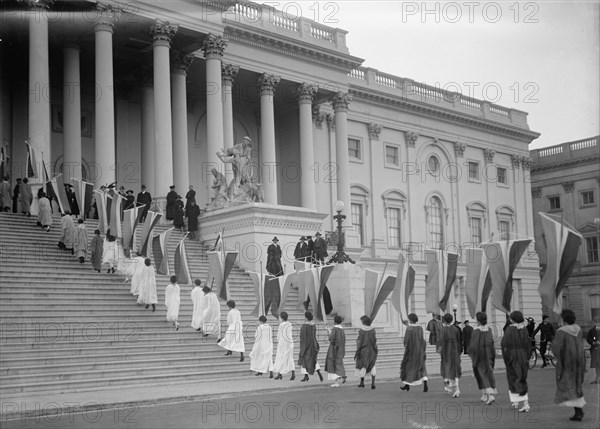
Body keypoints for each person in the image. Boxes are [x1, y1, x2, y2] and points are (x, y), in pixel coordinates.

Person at [553, 309, 586, 421]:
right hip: (578, 361)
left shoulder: (561, 331)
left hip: (567, 362)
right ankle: (578, 411)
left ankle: (579, 412)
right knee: (576, 385)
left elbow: (557, 348)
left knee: (568, 385)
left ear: (564, 319)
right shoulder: (578, 329)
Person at [501, 310, 531, 412]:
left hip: (513, 356)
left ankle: (522, 402)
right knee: (521, 378)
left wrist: (506, 357)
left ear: (512, 319)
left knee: (514, 378)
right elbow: (528, 344)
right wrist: (527, 356)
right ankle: (519, 401)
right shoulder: (524, 329)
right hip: (523, 355)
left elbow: (504, 343)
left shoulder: (510, 330)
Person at [467, 312, 497, 405]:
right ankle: (484, 395)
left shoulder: (476, 331)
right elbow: (491, 343)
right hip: (488, 355)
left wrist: (471, 353)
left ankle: (490, 395)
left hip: (479, 357)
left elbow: (473, 346)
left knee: (482, 375)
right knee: (488, 374)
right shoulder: (489, 330)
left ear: (478, 320)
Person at [400, 313, 428, 392]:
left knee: (409, 367)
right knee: (422, 366)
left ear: (410, 319)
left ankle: (407, 384)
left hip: (412, 351)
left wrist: (406, 348)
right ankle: (425, 383)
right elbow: (422, 340)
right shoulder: (420, 328)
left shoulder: (409, 329)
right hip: (420, 350)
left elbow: (406, 340)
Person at [438, 313, 462, 397]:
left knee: (447, 370)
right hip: (455, 352)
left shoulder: (443, 330)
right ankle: (454, 388)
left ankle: (451, 387)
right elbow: (459, 341)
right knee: (455, 370)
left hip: (446, 353)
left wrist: (439, 351)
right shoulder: (456, 329)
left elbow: (440, 342)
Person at [298, 311, 323, 382]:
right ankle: (318, 371)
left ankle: (306, 376)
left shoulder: (304, 326)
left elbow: (303, 337)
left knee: (304, 360)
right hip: (313, 344)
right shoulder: (313, 325)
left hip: (306, 345)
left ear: (306, 317)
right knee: (312, 359)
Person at [355, 315, 378, 389]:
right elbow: (374, 340)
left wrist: (357, 350)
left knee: (362, 365)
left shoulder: (361, 330)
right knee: (372, 364)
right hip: (372, 349)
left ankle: (362, 382)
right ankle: (373, 383)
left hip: (364, 350)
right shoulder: (373, 330)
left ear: (363, 322)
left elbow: (359, 341)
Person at [273, 311, 295, 380]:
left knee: (280, 357)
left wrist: (278, 340)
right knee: (290, 358)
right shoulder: (290, 324)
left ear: (282, 318)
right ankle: (293, 373)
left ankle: (280, 374)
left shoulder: (281, 325)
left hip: (283, 343)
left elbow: (279, 335)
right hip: (289, 343)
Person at [325, 315, 347, 388]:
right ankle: (343, 375)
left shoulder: (335, 329)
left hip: (334, 349)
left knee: (333, 365)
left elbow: (331, 339)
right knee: (339, 363)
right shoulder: (342, 330)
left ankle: (336, 382)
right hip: (340, 349)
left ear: (334, 321)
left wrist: (328, 332)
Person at [586, 316, 600, 384]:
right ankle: (597, 378)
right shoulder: (592, 330)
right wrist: (593, 342)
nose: (597, 324)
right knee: (597, 364)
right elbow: (588, 338)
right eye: (596, 322)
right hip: (594, 349)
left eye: (598, 322)